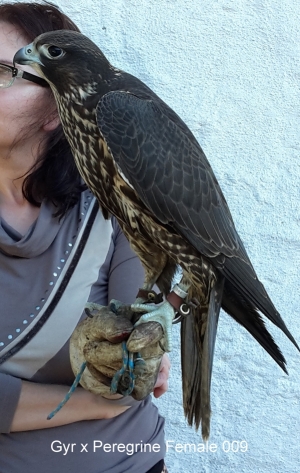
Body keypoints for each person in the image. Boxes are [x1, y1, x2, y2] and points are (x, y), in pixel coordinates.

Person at [0, 2, 170, 472]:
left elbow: (132, 364)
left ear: (57, 107)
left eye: (1, 71)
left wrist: (126, 375)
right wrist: (99, 402)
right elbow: (117, 391)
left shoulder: (117, 203)